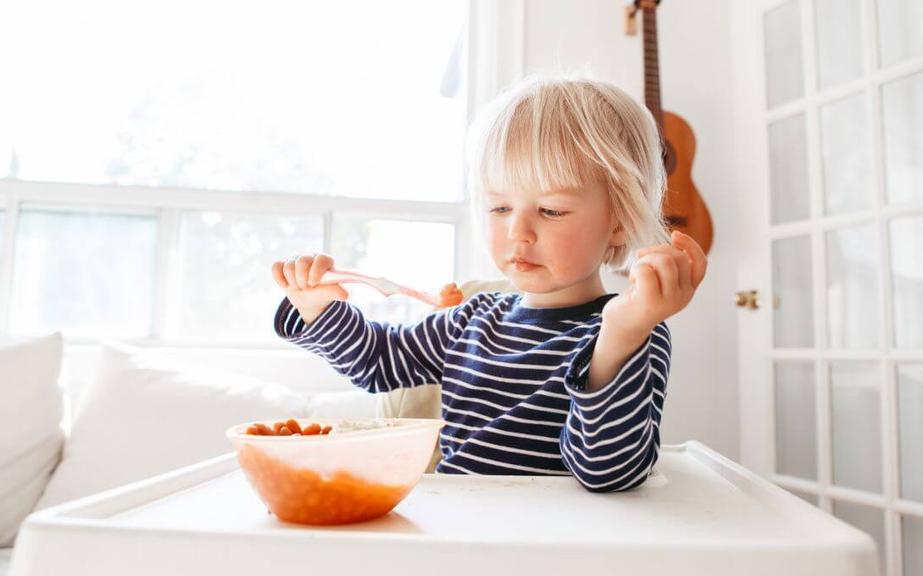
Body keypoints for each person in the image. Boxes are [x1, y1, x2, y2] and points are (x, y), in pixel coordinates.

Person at [271, 75, 707, 492]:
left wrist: (618, 336)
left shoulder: (629, 333)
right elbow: (378, 364)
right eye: (499, 208)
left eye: (551, 210)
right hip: (462, 529)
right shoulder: (472, 318)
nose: (518, 231)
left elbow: (607, 473)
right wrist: (317, 308)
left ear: (618, 221)